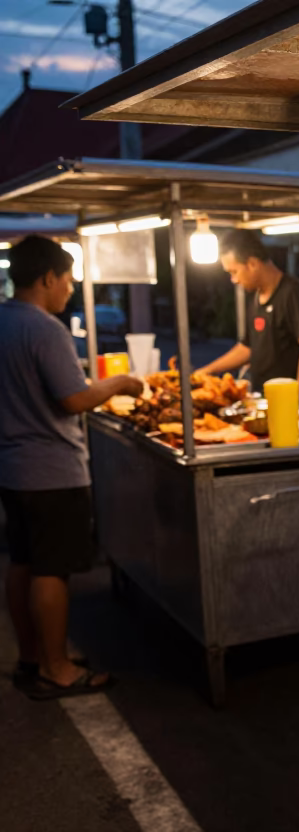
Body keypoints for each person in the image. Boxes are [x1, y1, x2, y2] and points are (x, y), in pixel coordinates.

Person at [0, 235, 143, 699]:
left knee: (22, 562)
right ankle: (57, 668)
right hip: (50, 471)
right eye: (67, 281)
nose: (69, 290)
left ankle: (32, 656)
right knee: (50, 571)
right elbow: (74, 398)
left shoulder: (3, 320)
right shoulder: (46, 329)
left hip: (12, 468)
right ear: (47, 278)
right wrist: (119, 382)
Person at [198, 229, 299, 387]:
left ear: (252, 264)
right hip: (260, 399)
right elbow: (247, 348)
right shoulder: (256, 297)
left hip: (285, 400)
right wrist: (206, 371)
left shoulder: (293, 292)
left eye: (234, 272)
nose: (233, 280)